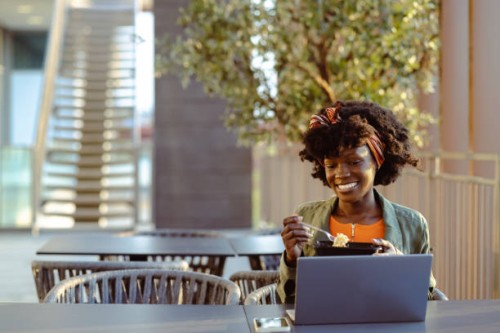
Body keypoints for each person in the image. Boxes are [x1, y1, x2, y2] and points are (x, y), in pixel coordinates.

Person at [277, 100, 436, 303]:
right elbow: (288, 299)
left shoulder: (412, 224)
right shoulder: (306, 216)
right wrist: (292, 258)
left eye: (354, 162)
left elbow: (427, 298)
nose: (341, 174)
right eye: (331, 165)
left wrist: (400, 265)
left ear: (378, 162)